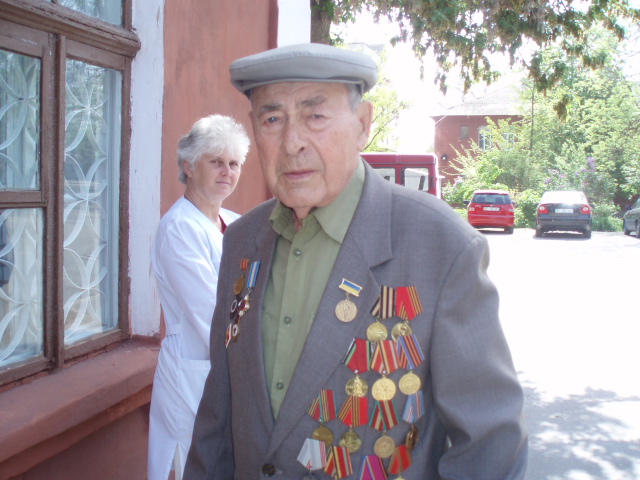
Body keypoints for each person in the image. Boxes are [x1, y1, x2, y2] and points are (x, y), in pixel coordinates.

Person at [184, 43, 527, 480]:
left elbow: (489, 445)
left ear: (362, 125)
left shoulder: (442, 246)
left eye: (315, 116)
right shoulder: (242, 242)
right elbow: (219, 415)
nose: (291, 143)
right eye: (272, 120)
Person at [148, 114, 250, 480]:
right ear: (189, 166)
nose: (227, 171)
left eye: (234, 163)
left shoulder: (234, 222)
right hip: (193, 374)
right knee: (191, 464)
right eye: (216, 161)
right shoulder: (179, 229)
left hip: (227, 371)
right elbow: (212, 314)